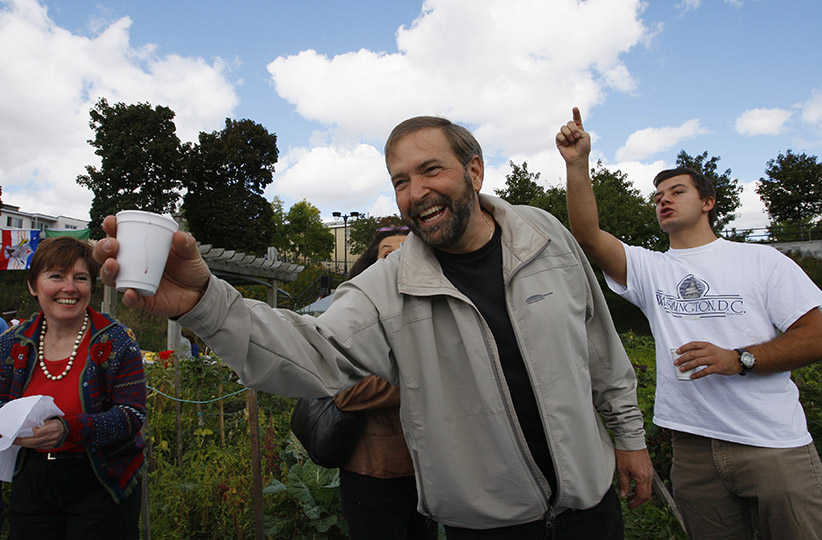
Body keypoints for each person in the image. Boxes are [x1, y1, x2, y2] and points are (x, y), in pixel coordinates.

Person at [94, 115, 653, 539]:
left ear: (475, 170)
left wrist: (629, 440)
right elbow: (307, 351)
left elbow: (601, 348)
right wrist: (203, 302)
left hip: (591, 504)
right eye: (400, 181)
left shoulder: (545, 235)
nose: (415, 193)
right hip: (486, 525)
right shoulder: (387, 286)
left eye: (431, 169)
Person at [557, 107, 822, 539]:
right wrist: (576, 164)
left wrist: (741, 358)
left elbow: (816, 336)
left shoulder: (761, 260)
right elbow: (587, 234)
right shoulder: (652, 269)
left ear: (707, 202)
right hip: (692, 448)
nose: (663, 198)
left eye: (676, 191)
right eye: (658, 194)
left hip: (773, 445)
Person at [0, 236, 146, 540]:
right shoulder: (11, 345)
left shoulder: (117, 341)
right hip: (32, 479)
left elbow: (132, 415)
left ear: (90, 287)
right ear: (32, 284)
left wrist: (70, 429)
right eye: (56, 276)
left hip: (102, 480)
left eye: (80, 278)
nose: (69, 288)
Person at [332, 225, 438, 540]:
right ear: (372, 265)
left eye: (408, 252)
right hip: (376, 472)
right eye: (387, 253)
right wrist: (424, 382)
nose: (397, 260)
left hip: (430, 471)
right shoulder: (355, 314)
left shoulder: (435, 308)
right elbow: (345, 391)